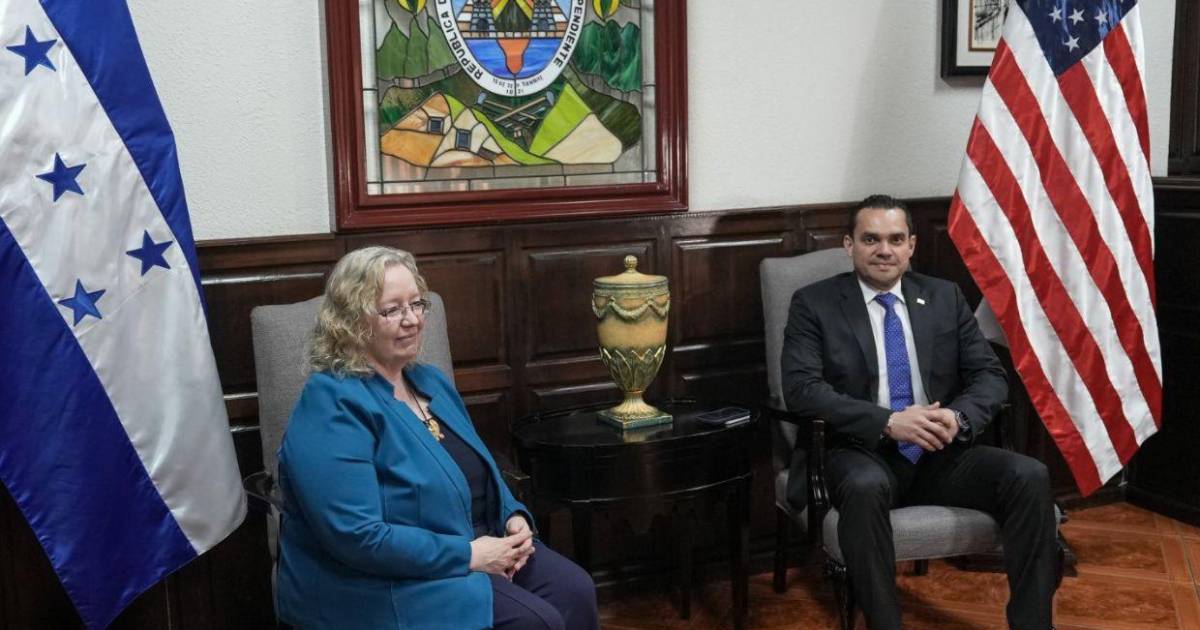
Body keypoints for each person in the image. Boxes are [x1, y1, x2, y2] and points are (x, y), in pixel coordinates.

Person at [275, 246, 598, 630]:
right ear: (350, 321)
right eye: (392, 309)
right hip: (382, 579)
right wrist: (469, 555)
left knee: (575, 590)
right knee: (535, 622)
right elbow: (357, 536)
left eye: (416, 304)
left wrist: (512, 515)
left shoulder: (430, 382)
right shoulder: (332, 403)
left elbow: (479, 470)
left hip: (477, 544)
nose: (412, 319)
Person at [781, 195, 1057, 629]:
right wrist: (888, 422)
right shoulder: (814, 303)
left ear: (911, 245)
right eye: (870, 239)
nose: (884, 250)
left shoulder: (944, 296)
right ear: (849, 245)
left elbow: (989, 375)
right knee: (866, 486)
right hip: (858, 451)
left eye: (895, 239)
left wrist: (958, 417)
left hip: (937, 452)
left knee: (1029, 475)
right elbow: (802, 390)